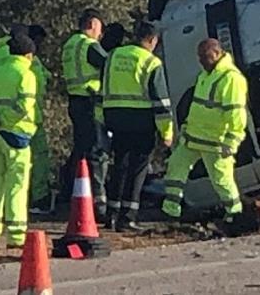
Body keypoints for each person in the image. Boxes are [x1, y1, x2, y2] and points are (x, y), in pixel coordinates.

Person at [162, 39, 249, 222]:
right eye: (200, 57)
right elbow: (198, 106)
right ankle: (170, 210)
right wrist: (186, 128)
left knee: (222, 180)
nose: (201, 61)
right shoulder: (206, 75)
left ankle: (235, 215)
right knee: (175, 167)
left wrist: (231, 141)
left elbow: (236, 114)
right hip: (193, 137)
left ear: (217, 54)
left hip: (215, 141)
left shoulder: (231, 78)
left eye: (205, 57)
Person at [102, 20, 174, 231]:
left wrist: (103, 117)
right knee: (138, 168)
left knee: (119, 165)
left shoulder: (113, 56)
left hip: (115, 117)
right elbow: (161, 102)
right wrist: (167, 133)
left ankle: (111, 213)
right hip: (141, 119)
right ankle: (128, 217)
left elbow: (103, 87)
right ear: (152, 40)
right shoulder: (151, 63)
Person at [0, 32, 38, 249]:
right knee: (17, 186)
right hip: (16, 135)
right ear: (29, 55)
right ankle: (16, 235)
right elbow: (24, 107)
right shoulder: (26, 74)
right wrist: (4, 120)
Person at [62, 9, 110, 218]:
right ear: (92, 24)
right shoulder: (88, 46)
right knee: (97, 152)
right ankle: (98, 205)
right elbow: (109, 65)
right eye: (100, 28)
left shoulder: (69, 45)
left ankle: (73, 197)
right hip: (90, 102)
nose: (101, 34)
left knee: (80, 151)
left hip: (75, 101)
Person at [26, 25, 52, 214]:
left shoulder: (33, 60)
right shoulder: (27, 60)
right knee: (37, 157)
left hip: (29, 116)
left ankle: (36, 197)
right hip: (28, 117)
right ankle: (38, 198)